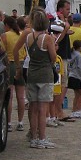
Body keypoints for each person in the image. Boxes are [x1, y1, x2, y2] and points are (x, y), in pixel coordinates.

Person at [15, 9, 56, 149]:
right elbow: (53, 57)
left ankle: (33, 137)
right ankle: (42, 137)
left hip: (31, 73)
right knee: (43, 108)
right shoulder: (47, 38)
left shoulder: (28, 37)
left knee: (32, 107)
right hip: (45, 75)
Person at [2, 15, 26, 131]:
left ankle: (9, 122)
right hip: (20, 64)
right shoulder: (22, 35)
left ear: (6, 25)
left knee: (10, 96)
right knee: (21, 96)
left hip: (10, 64)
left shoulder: (5, 36)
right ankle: (21, 121)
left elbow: (2, 52)